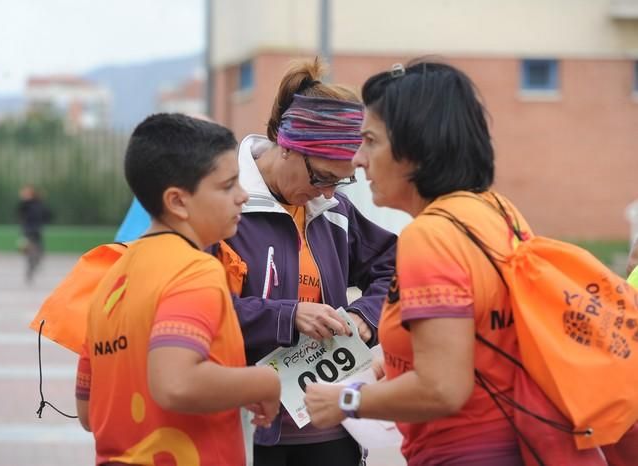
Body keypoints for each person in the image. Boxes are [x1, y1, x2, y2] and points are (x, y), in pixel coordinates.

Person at [304, 60, 533, 465]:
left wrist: (346, 399)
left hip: (462, 451)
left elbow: (443, 387)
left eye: (370, 141)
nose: (358, 159)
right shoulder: (498, 213)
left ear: (415, 150)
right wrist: (395, 367)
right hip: (519, 441)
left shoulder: (430, 236)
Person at [75, 113, 281, 466]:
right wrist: (265, 382)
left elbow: (89, 411)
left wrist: (225, 388)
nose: (243, 196)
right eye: (228, 185)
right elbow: (177, 384)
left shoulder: (111, 277)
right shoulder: (194, 269)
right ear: (178, 201)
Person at [220, 59, 397, 466]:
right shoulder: (227, 209)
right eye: (321, 176)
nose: (329, 190)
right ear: (286, 146)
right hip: (250, 426)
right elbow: (207, 313)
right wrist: (289, 315)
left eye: (341, 179)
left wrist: (366, 317)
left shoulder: (334, 208)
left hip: (332, 427)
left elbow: (399, 268)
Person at [16, 184, 51, 282]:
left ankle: (32, 268)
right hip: (28, 232)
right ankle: (29, 271)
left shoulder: (39, 204)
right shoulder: (24, 205)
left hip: (37, 232)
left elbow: (47, 215)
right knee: (31, 253)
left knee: (40, 254)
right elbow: (20, 213)